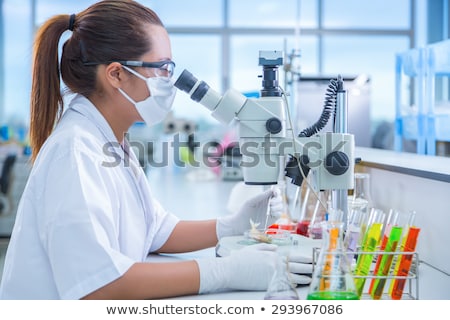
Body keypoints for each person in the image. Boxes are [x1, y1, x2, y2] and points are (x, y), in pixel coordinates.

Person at [0, 0, 312, 300]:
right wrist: (224, 272)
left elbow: (155, 229)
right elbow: (97, 285)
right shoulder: (75, 153)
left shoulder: (108, 138)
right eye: (162, 68)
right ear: (116, 75)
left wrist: (229, 226)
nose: (170, 81)